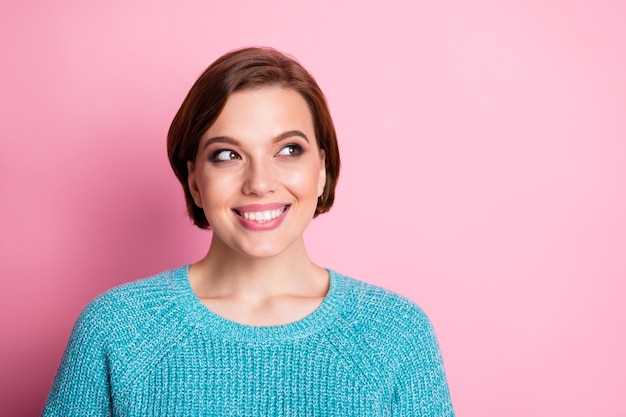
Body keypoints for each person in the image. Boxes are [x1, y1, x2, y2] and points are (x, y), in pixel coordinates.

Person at [42, 46, 455, 416]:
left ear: (322, 170)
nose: (259, 182)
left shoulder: (395, 335)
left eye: (288, 150)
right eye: (228, 154)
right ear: (194, 181)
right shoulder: (116, 329)